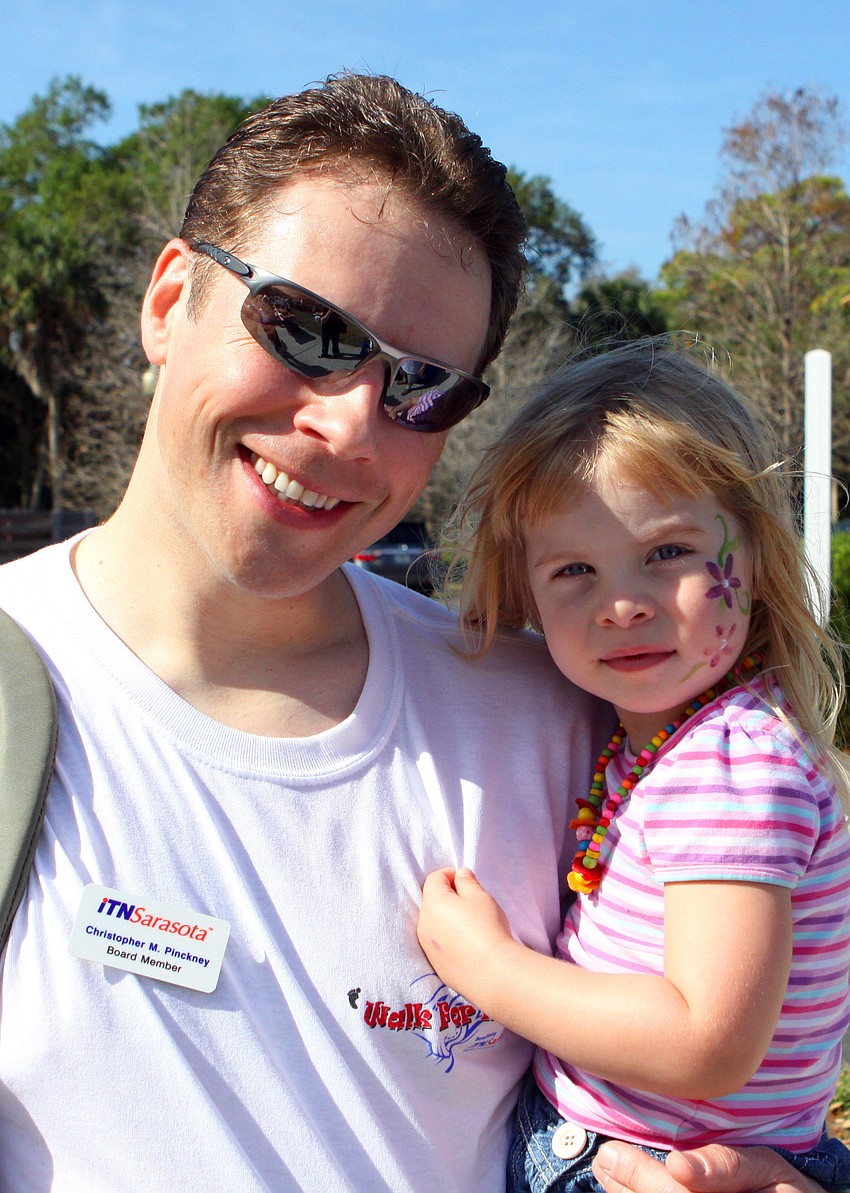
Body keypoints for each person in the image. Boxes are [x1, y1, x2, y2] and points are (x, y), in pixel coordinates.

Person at [0, 72, 833, 1193]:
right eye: (305, 328)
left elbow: (714, 1056)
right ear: (167, 300)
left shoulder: (565, 716)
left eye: (423, 388)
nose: (347, 423)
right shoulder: (17, 695)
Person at [417, 339, 850, 1192]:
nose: (622, 604)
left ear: (756, 558)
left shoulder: (732, 766)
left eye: (669, 552)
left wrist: (490, 970)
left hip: (653, 1169)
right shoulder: (668, 740)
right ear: (526, 593)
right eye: (574, 569)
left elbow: (707, 1037)